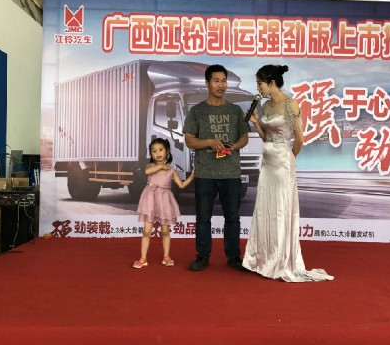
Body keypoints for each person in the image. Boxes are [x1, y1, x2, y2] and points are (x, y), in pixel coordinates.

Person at [242, 64, 334, 282]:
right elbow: (267, 138)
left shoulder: (291, 104)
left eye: (260, 84)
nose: (258, 88)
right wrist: (256, 123)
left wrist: (290, 157)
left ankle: (281, 260)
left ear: (271, 82)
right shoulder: (265, 106)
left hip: (283, 162)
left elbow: (299, 138)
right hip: (267, 162)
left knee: (282, 210)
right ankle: (263, 259)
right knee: (265, 209)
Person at [183, 64, 249, 271]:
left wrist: (235, 146)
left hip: (231, 172)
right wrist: (209, 142)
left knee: (233, 218)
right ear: (207, 83)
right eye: (216, 81)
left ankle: (234, 257)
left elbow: (244, 137)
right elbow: (189, 140)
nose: (221, 85)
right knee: (203, 218)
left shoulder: (235, 110)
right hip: (205, 173)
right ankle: (202, 256)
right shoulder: (197, 111)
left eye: (224, 81)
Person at [133, 138, 195, 269]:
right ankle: (143, 258)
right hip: (150, 199)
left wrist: (191, 176)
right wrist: (161, 166)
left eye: (160, 150)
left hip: (164, 200)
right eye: (154, 151)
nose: (157, 153)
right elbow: (147, 172)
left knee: (165, 231)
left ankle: (166, 256)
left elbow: (181, 185)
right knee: (146, 231)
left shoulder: (172, 170)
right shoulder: (150, 166)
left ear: (167, 151)